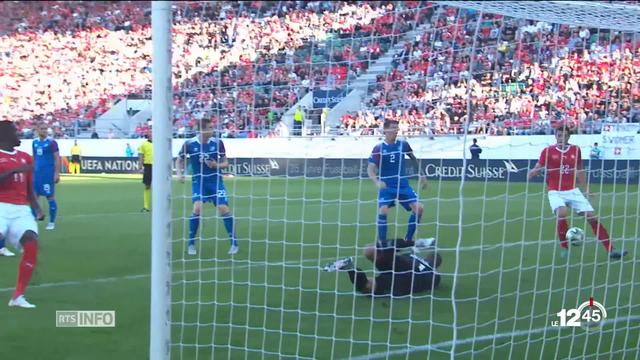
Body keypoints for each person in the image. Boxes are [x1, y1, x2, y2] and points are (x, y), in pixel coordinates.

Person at [528, 125, 627, 259]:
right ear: (555, 136)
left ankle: (611, 250)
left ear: (569, 136)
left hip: (573, 190)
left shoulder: (575, 149)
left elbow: (580, 170)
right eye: (559, 135)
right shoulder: (548, 151)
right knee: (562, 212)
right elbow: (537, 168)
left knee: (592, 217)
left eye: (564, 135)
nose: (562, 138)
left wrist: (586, 189)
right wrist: (533, 172)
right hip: (555, 191)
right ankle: (564, 247)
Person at [177, 121, 238, 256]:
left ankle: (234, 243)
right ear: (202, 130)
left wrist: (216, 165)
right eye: (210, 127)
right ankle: (191, 244)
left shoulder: (218, 143)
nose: (213, 129)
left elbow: (226, 163)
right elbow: (179, 159)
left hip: (215, 181)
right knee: (197, 208)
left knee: (223, 209)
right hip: (198, 181)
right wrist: (180, 173)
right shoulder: (189, 143)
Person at [0, 120, 44, 308]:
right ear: (4, 137)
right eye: (15, 132)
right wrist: (14, 171)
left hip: (21, 209)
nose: (19, 135)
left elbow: (28, 187)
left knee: (31, 242)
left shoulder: (26, 157)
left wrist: (37, 207)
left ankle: (18, 296)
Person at [367, 120, 427, 249]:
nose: (396, 130)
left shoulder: (403, 144)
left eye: (397, 128)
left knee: (419, 208)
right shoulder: (379, 148)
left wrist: (421, 174)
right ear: (385, 130)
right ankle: (382, 244)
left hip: (403, 185)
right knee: (383, 211)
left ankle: (408, 240)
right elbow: (370, 168)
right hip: (387, 186)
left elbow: (413, 159)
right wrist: (376, 181)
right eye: (393, 128)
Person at [323, 238, 440, 297]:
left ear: (428, 257)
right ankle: (351, 269)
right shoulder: (435, 274)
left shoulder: (413, 255)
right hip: (403, 281)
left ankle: (417, 242)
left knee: (370, 252)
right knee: (367, 287)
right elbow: (427, 284)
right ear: (436, 264)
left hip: (403, 275)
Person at [32, 122, 60, 230]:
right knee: (34, 197)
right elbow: (34, 158)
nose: (44, 130)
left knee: (50, 197)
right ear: (37, 130)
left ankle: (52, 222)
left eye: (45, 128)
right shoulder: (34, 142)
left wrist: (56, 173)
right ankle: (35, 218)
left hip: (48, 174)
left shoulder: (52, 143)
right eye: (42, 129)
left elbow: (57, 158)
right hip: (37, 174)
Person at [138, 131, 153, 212]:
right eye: (150, 133)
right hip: (148, 166)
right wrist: (140, 167)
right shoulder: (144, 144)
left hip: (158, 167)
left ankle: (160, 206)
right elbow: (141, 156)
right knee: (147, 186)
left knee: (160, 187)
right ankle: (146, 206)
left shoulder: (160, 143)